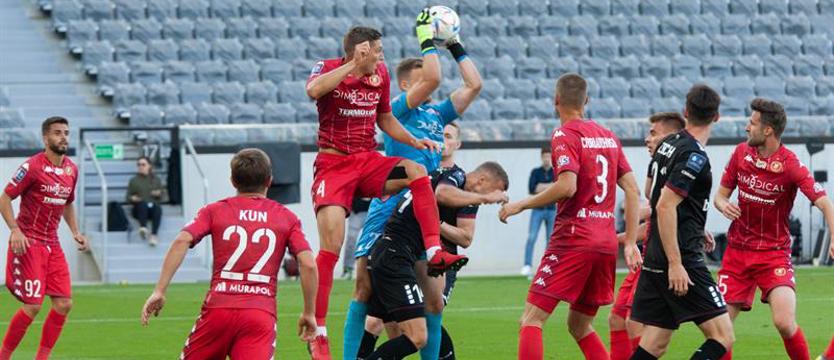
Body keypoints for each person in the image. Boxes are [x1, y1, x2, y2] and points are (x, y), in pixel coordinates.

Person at [305, 22, 469, 358]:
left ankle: (434, 249)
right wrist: (352, 64)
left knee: (416, 171)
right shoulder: (330, 67)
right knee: (332, 247)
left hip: (367, 160)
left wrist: (412, 140)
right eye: (377, 50)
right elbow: (314, 91)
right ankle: (318, 330)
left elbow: (384, 119)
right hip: (333, 165)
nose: (382, 56)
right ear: (361, 49)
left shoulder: (380, 73)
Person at [342, 10, 487, 360]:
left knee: (433, 299)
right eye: (421, 77)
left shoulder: (436, 116)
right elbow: (434, 77)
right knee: (364, 290)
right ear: (408, 84)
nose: (429, 80)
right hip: (390, 207)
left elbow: (474, 86)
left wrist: (454, 44)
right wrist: (426, 36)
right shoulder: (398, 110)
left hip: (422, 216)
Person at [499, 73, 642, 360]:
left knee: (531, 320)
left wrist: (521, 205)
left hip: (574, 238)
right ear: (586, 101)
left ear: (556, 101)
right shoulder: (608, 137)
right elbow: (632, 189)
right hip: (604, 243)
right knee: (579, 325)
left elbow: (567, 186)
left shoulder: (564, 135)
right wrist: (629, 241)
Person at [141, 148, 318, 359]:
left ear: (233, 181)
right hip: (260, 313)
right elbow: (308, 264)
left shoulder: (214, 210)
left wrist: (160, 290)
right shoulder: (287, 217)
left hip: (218, 309)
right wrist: (309, 312)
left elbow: (182, 239)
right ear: (269, 181)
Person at [356, 123, 504, 360]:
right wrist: (486, 198)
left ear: (457, 144)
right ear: (483, 180)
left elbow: (466, 237)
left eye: (449, 136)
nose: (443, 141)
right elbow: (441, 195)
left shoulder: (447, 181)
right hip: (398, 254)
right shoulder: (452, 178)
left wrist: (436, 225)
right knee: (411, 331)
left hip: (411, 256)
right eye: (441, 135)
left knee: (414, 323)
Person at [713, 98, 834, 360]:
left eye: (752, 123)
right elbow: (719, 196)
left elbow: (825, 202)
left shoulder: (790, 164)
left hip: (773, 254)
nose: (747, 128)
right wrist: (723, 205)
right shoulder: (740, 153)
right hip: (737, 253)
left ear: (768, 130)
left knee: (784, 322)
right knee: (719, 330)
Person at [629, 84, 735, 360]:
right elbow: (664, 205)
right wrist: (676, 263)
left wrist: (697, 228)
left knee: (655, 344)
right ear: (717, 117)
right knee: (723, 336)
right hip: (681, 259)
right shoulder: (695, 156)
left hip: (654, 254)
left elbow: (653, 194)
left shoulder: (668, 143)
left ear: (686, 112)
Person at [1, 117, 89, 360]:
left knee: (64, 304)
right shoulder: (32, 167)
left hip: (52, 243)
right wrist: (15, 230)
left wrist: (75, 232)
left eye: (66, 133)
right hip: (29, 241)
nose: (63, 137)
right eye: (58, 133)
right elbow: (5, 198)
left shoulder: (72, 169)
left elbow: (67, 203)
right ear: (45, 138)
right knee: (33, 305)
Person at [609, 112, 685, 360]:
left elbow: (661, 211)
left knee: (635, 321)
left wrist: (636, 211)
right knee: (617, 319)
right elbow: (651, 226)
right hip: (646, 256)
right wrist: (620, 238)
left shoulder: (680, 165)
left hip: (662, 260)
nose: (647, 139)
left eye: (653, 133)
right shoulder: (657, 166)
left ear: (671, 137)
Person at [521, 146, 556, 278]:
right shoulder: (536, 172)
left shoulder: (556, 172)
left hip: (552, 209)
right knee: (532, 237)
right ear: (541, 157)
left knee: (550, 240)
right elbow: (532, 189)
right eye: (545, 156)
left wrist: (542, 187)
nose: (547, 159)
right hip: (538, 209)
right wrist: (551, 186)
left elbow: (559, 188)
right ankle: (527, 265)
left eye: (549, 156)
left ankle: (548, 266)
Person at [126, 156, 165, 246]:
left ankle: (154, 235)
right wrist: (133, 198)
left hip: (152, 209)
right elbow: (128, 197)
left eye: (143, 164)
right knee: (142, 204)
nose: (140, 166)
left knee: (157, 208)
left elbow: (163, 195)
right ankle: (143, 227)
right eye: (138, 164)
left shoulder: (156, 180)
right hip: (139, 209)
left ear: (149, 166)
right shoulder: (134, 180)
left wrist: (159, 193)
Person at [342, 197, 371, 280]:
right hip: (356, 212)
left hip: (371, 211)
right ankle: (348, 269)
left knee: (372, 240)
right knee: (351, 239)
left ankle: (370, 268)